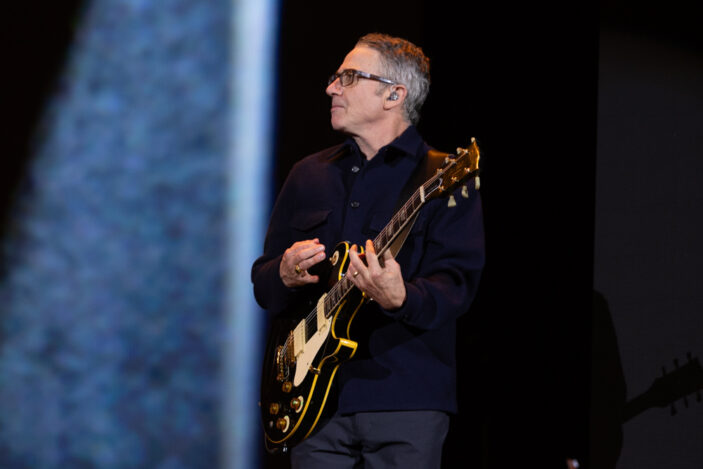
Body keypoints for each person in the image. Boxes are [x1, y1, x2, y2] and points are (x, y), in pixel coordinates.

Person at [252, 33, 485, 468]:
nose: (331, 88)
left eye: (349, 77)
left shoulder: (443, 174)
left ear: (394, 95)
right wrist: (281, 272)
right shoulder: (308, 174)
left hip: (404, 400)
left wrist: (402, 297)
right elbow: (263, 283)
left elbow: (457, 285)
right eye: (335, 77)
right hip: (314, 407)